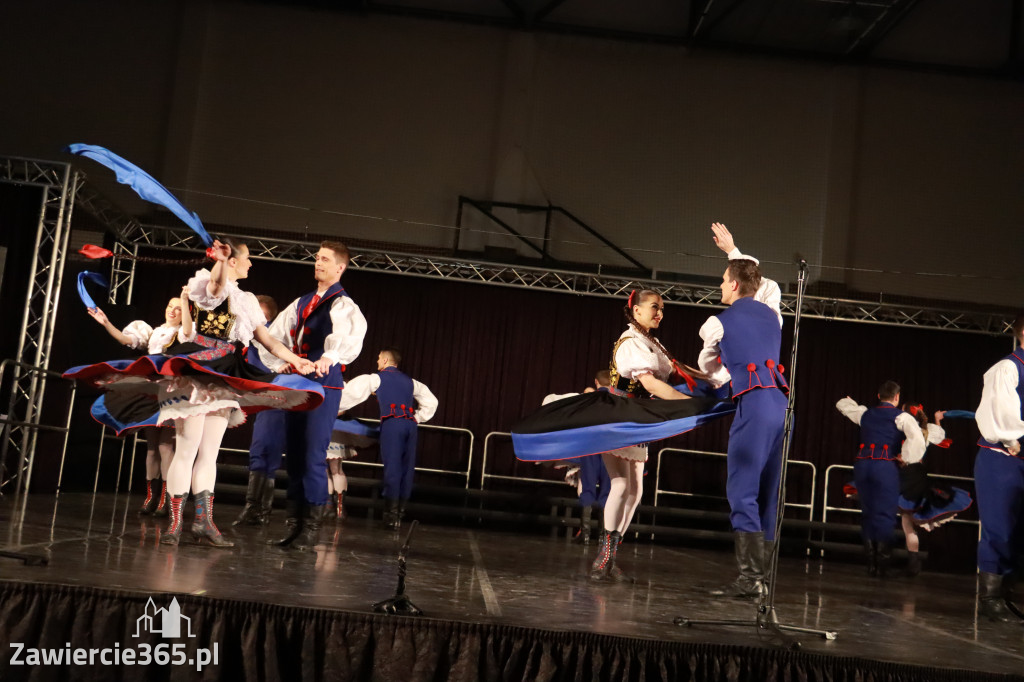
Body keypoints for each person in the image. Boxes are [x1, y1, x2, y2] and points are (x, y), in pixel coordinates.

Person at [260, 241, 367, 550]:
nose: (317, 262)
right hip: (298, 385)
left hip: (325, 386)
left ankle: (312, 525)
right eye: (317, 258)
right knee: (293, 454)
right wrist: (284, 361)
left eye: (324, 259)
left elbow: (348, 337)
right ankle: (294, 523)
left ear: (340, 267)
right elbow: (276, 336)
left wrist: (329, 357)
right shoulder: (302, 301)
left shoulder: (343, 304)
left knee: (313, 455)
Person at [698, 258, 789, 599]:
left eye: (724, 280)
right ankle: (763, 579)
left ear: (734, 285)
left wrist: (721, 374)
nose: (721, 286)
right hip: (782, 404)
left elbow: (710, 368)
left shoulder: (716, 323)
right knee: (769, 490)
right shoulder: (773, 314)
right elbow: (766, 286)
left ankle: (750, 579)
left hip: (754, 404)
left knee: (742, 488)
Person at [86, 289, 192, 516]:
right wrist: (106, 323)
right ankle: (151, 496)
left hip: (171, 391)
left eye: (178, 309)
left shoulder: (184, 334)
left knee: (166, 446)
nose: (172, 311)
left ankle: (166, 498)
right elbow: (126, 339)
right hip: (150, 390)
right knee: (152, 447)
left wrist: (185, 299)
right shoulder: (153, 332)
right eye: (170, 306)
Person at [336, 348, 438, 529]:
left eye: (378, 359)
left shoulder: (377, 378)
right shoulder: (411, 382)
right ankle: (400, 513)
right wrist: (418, 417)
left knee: (393, 467)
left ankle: (391, 517)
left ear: (384, 361)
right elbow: (432, 401)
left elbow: (352, 393)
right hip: (410, 425)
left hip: (393, 424)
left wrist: (333, 404)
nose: (376, 362)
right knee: (407, 468)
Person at [836, 382, 926, 578]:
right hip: (884, 466)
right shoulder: (902, 417)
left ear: (878, 395)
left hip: (862, 465)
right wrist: (906, 457)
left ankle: (871, 563)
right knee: (884, 514)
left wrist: (849, 402)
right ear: (897, 398)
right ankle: (882, 564)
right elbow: (917, 440)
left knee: (868, 513)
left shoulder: (866, 414)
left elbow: (843, 405)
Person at [973, 312, 1024, 622]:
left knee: (1018, 529)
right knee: (1000, 526)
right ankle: (990, 596)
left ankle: (1006, 593)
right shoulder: (1007, 368)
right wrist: (1012, 439)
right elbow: (999, 416)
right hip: (1002, 457)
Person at [896, 404, 972, 577]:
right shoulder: (926, 431)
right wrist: (937, 419)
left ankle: (913, 563)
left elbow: (907, 455)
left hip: (909, 476)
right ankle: (913, 563)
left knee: (907, 523)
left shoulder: (909, 430)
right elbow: (939, 436)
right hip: (919, 476)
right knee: (909, 522)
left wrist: (902, 459)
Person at [233, 295, 286, 527]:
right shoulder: (247, 338)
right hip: (261, 399)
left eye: (260, 315)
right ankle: (258, 509)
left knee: (265, 452)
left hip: (275, 398)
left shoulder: (271, 337)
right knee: (262, 452)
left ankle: (257, 508)